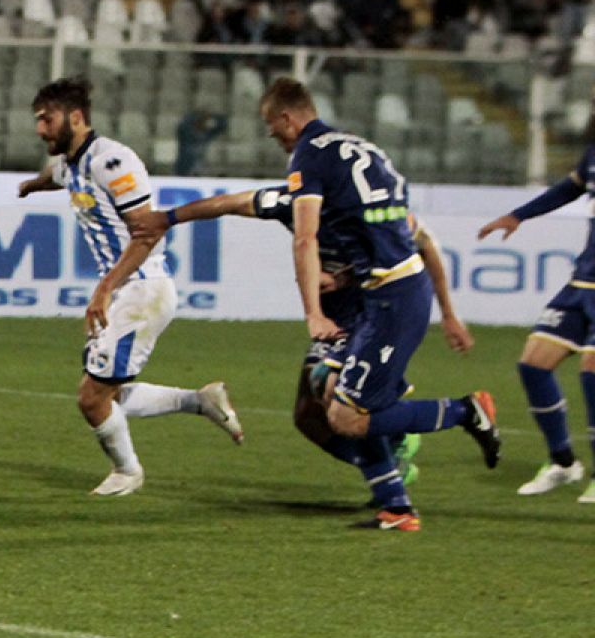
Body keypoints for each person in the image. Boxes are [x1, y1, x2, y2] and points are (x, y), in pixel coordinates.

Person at [260, 76, 500, 530]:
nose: (272, 134)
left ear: (287, 119)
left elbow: (305, 237)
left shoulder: (311, 158)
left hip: (390, 298)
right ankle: (396, 506)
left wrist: (313, 311)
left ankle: (462, 412)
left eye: (272, 126)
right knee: (325, 394)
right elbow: (414, 235)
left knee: (347, 415)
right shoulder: (364, 155)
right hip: (381, 297)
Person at [139, 186, 474, 503]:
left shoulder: (363, 209)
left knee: (332, 391)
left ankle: (401, 467)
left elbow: (424, 245)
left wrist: (448, 314)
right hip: (334, 319)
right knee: (308, 418)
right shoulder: (292, 203)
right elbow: (229, 203)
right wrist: (168, 218)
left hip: (370, 315)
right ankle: (393, 452)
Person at [16, 77, 242, 497]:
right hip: (126, 291)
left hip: (142, 289)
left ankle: (127, 472)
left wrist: (105, 289)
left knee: (92, 398)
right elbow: (56, 176)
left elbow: (146, 233)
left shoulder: (113, 162)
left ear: (76, 117)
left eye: (47, 119)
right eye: (38, 120)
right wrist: (32, 185)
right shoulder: (71, 164)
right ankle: (200, 401)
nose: (40, 129)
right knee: (109, 392)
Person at [476, 99, 595, 501]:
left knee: (592, 372)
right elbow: (571, 187)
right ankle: (563, 462)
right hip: (582, 281)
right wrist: (519, 215)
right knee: (533, 364)